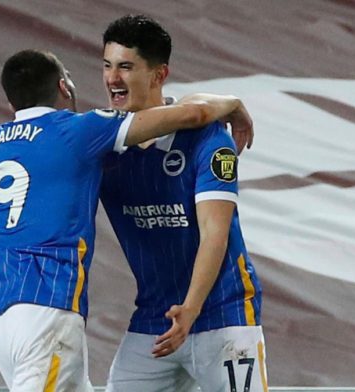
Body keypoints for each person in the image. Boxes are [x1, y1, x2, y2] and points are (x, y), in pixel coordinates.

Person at [0, 48, 253, 391]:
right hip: (48, 312)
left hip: (3, 320)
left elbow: (10, 235)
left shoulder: (0, 144)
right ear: (63, 87)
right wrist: (232, 103)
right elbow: (193, 114)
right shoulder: (80, 131)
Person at [98, 15, 268, 392]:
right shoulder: (103, 146)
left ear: (159, 75)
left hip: (224, 315)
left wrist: (191, 310)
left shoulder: (209, 139)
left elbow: (214, 234)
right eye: (107, 66)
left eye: (126, 67)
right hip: (155, 322)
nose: (112, 79)